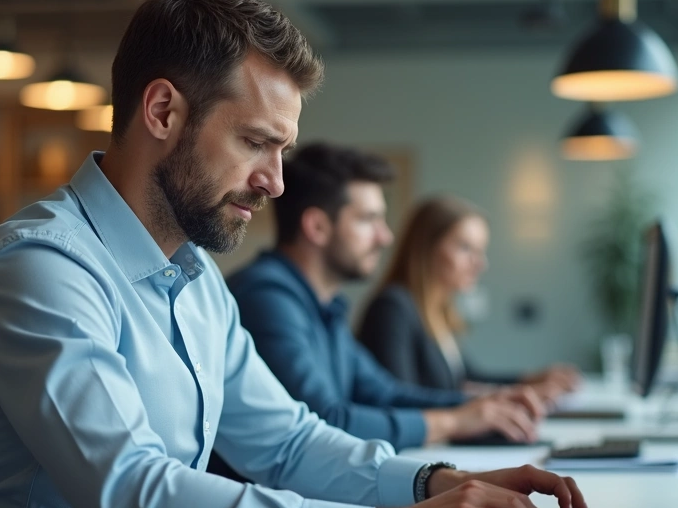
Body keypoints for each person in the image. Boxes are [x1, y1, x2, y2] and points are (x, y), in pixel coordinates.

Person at [0, 0, 588, 508]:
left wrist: (438, 484)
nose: (274, 182)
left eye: (283, 152)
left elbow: (288, 443)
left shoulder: (195, 281)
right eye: (255, 143)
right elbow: (135, 497)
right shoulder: (40, 268)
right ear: (162, 111)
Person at [227, 143, 550, 453]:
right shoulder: (267, 298)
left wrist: (486, 406)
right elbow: (324, 421)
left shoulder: (324, 307)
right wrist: (453, 422)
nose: (386, 236)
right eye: (369, 219)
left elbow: (384, 393)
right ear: (318, 227)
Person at [358, 196, 581, 401]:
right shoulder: (393, 308)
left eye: (481, 251)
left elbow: (467, 377)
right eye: (465, 248)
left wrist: (529, 381)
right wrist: (496, 400)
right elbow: (401, 398)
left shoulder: (438, 311)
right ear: (425, 248)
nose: (480, 264)